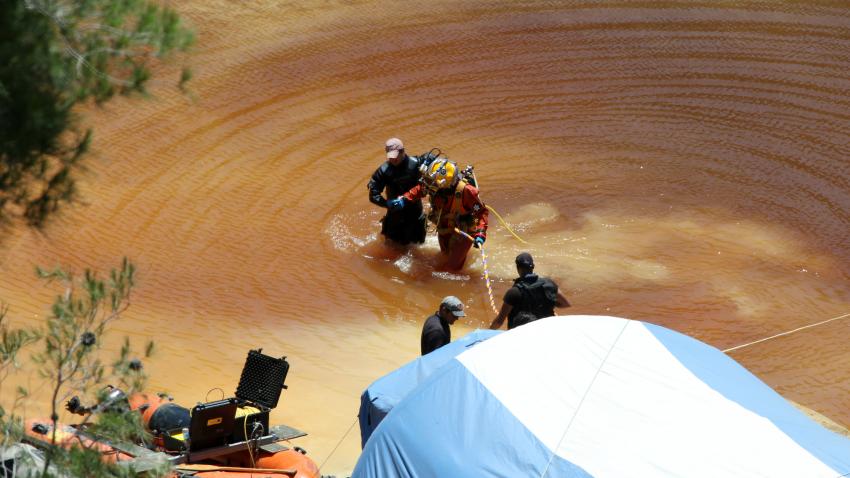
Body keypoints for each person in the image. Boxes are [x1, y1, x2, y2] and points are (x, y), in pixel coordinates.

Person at [396, 159, 488, 270]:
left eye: (433, 183)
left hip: (464, 231)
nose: (429, 185)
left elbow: (482, 212)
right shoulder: (433, 185)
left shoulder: (467, 192)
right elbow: (420, 189)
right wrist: (404, 198)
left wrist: (481, 233)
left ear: (446, 186)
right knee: (445, 255)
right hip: (444, 226)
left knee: (451, 269)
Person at [367, 138, 427, 245]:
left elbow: (426, 185)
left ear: (403, 151)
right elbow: (373, 194)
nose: (393, 159)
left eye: (395, 155)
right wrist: (386, 203)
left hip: (415, 213)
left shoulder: (417, 164)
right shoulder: (383, 171)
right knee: (392, 249)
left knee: (418, 248)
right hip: (395, 215)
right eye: (390, 155)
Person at [489, 252, 570, 330]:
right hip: (546, 330)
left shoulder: (514, 292)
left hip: (522, 334)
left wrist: (488, 331)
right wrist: (549, 303)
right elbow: (566, 304)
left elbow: (499, 321)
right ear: (533, 267)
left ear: (518, 268)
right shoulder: (549, 284)